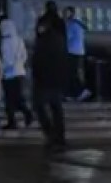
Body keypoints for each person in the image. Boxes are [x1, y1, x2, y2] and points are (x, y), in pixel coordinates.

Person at [31, 13, 69, 150]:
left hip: (44, 81)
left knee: (39, 106)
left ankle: (51, 134)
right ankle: (60, 136)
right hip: (57, 81)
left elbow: (38, 61)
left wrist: (37, 76)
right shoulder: (59, 40)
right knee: (56, 109)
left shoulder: (43, 41)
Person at [0, 18, 33, 129]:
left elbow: (6, 60)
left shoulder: (5, 42)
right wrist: (19, 64)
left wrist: (1, 70)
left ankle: (12, 121)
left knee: (9, 99)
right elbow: (24, 56)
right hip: (20, 72)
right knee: (18, 97)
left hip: (9, 75)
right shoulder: (19, 39)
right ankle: (27, 114)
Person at [63, 6, 91, 101]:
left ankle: (80, 91)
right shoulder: (78, 24)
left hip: (72, 51)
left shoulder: (72, 25)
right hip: (78, 51)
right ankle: (73, 93)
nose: (64, 15)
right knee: (72, 73)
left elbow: (67, 37)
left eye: (66, 13)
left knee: (71, 73)